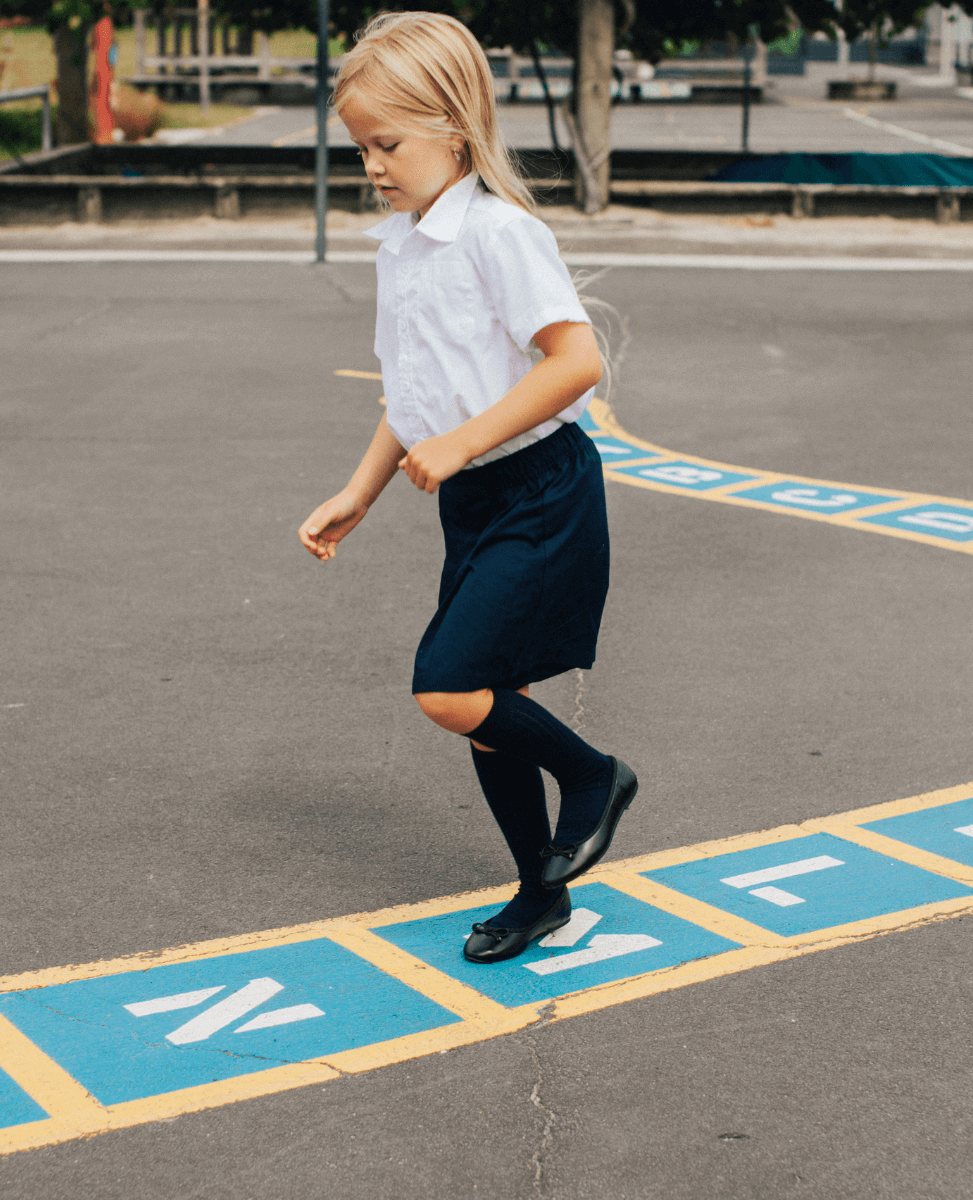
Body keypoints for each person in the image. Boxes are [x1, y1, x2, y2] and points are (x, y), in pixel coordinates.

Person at [299, 11, 637, 964]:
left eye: (387, 143)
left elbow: (575, 363)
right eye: (360, 145)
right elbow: (408, 395)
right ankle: (541, 895)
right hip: (476, 498)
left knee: (449, 687)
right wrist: (358, 493)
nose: (371, 163)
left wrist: (461, 442)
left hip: (541, 487)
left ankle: (595, 775)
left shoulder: (498, 233)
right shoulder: (400, 246)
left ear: (454, 127)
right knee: (492, 711)